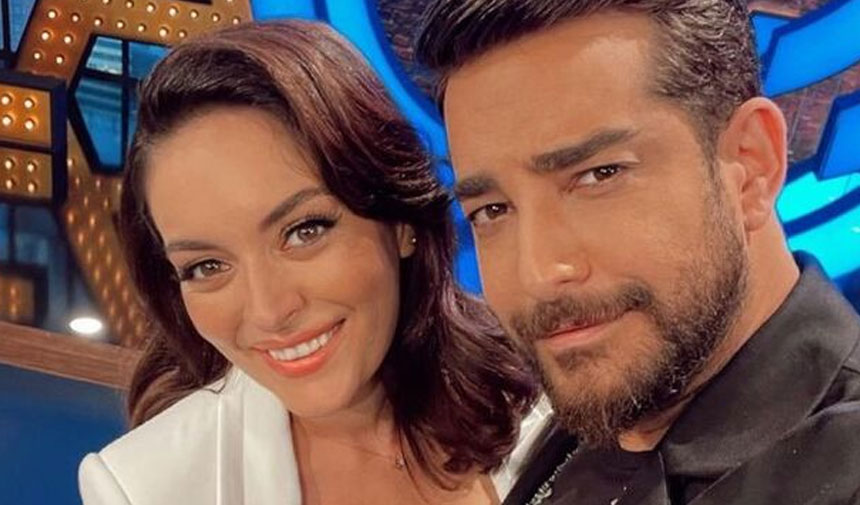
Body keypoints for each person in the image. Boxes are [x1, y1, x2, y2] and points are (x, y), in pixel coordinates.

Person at [78, 20, 551, 505]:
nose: (269, 311)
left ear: (398, 220)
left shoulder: (555, 385)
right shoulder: (145, 489)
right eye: (207, 266)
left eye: (304, 232)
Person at [415, 0, 860, 504]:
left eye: (598, 175)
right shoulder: (627, 394)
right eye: (492, 210)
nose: (538, 272)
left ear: (750, 165)